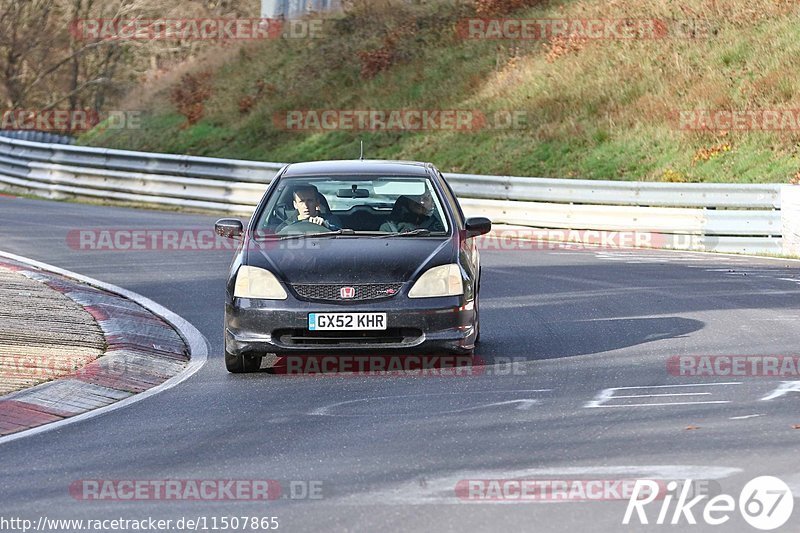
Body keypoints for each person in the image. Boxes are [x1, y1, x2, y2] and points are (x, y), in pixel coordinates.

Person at [276, 185, 342, 232]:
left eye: (310, 201)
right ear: (295, 204)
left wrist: (325, 225)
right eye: (301, 201)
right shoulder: (287, 224)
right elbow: (278, 237)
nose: (305, 205)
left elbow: (341, 235)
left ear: (317, 202)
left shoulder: (330, 220)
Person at [380, 191, 444, 233]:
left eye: (425, 199)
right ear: (407, 202)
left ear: (432, 204)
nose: (421, 202)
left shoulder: (442, 225)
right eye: (417, 198)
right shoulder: (388, 228)